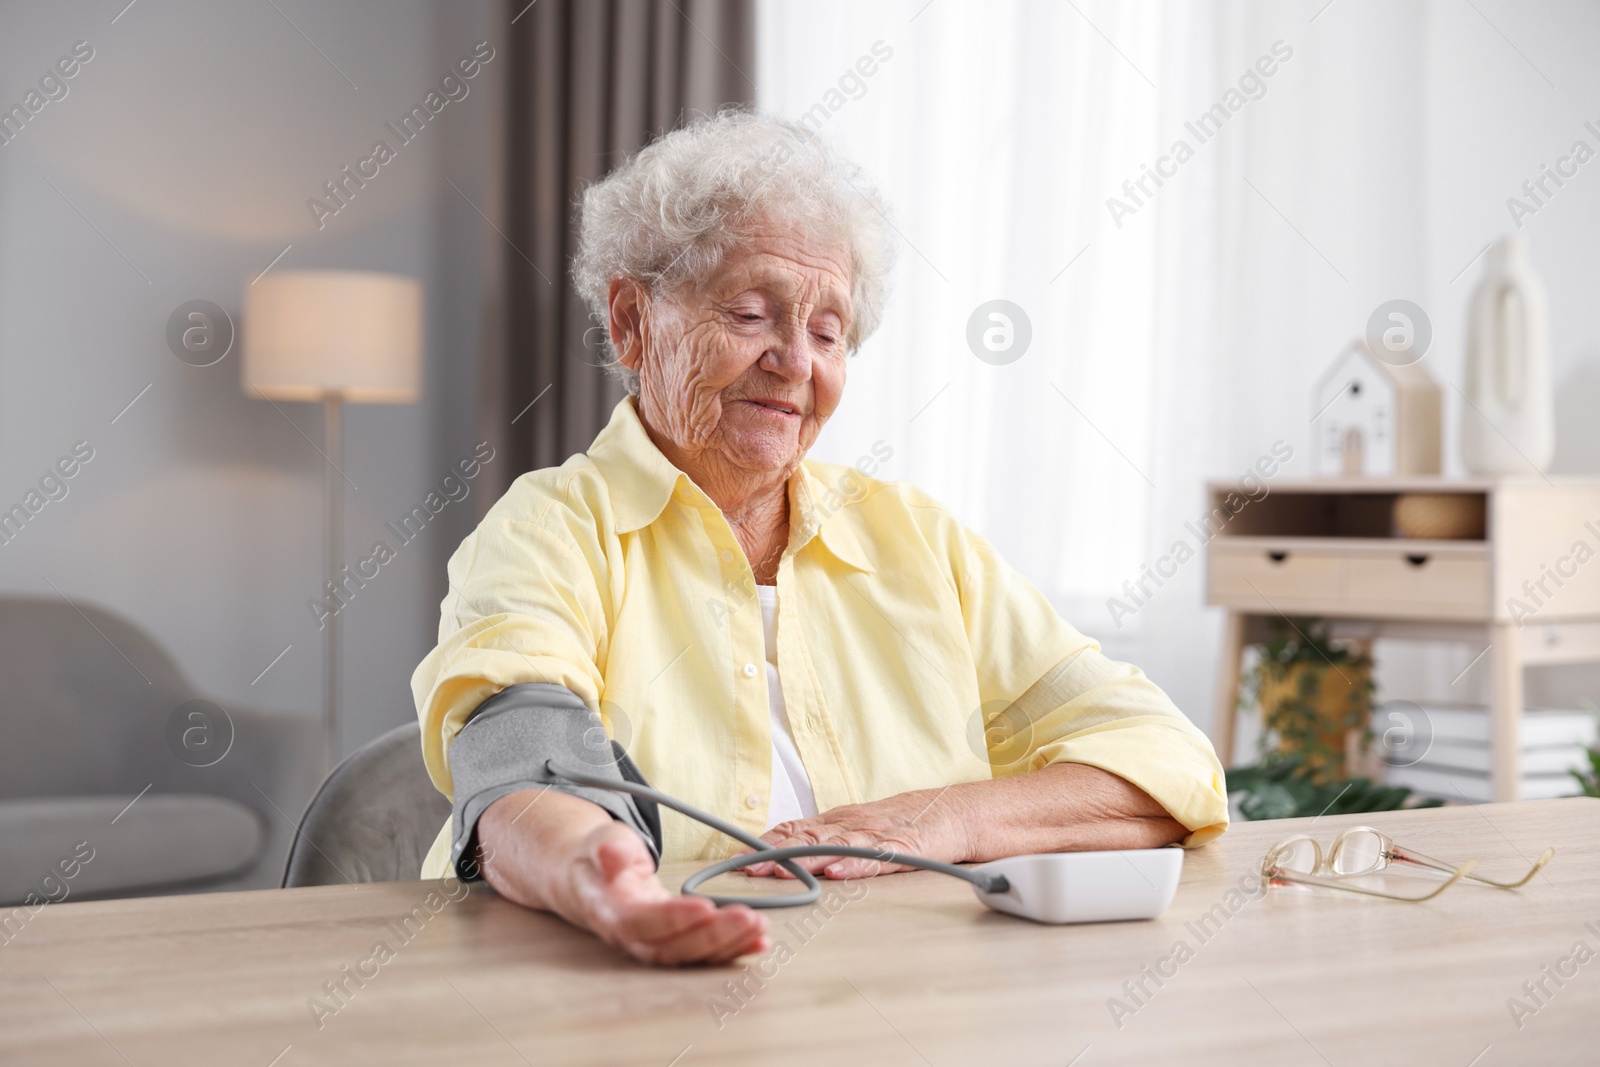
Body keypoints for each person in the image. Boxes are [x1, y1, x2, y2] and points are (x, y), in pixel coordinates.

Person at [412, 109, 1227, 966]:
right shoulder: (551, 528)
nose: (796, 361)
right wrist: (601, 875)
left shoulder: (920, 543)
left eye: (829, 331)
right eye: (752, 312)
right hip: (601, 987)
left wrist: (940, 819)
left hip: (892, 998)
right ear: (631, 321)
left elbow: (1167, 761)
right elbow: (520, 761)